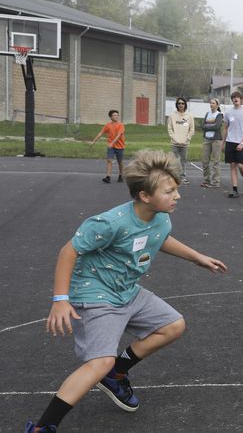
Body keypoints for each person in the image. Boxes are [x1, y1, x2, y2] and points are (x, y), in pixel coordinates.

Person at [23, 150, 227, 433]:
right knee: (100, 362)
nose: (176, 196)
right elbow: (68, 251)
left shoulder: (160, 217)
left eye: (176, 189)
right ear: (145, 196)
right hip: (96, 295)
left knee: (172, 325)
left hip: (127, 291)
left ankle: (116, 374)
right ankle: (43, 427)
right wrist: (60, 300)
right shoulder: (110, 223)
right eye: (169, 191)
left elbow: (159, 238)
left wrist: (197, 257)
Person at [222, 91, 243, 198]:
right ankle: (235, 189)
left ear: (241, 99)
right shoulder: (228, 113)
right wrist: (223, 143)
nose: (236, 99)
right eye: (234, 97)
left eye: (237, 97)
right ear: (232, 100)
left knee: (240, 165)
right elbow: (225, 128)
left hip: (241, 142)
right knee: (232, 166)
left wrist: (242, 142)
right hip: (230, 142)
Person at [89, 110, 125, 184]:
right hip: (110, 146)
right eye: (114, 115)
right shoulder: (108, 125)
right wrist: (93, 141)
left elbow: (118, 135)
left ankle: (121, 175)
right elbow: (100, 133)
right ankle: (108, 177)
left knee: (120, 162)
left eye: (117, 115)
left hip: (120, 146)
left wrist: (112, 143)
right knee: (109, 160)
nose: (116, 116)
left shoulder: (121, 125)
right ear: (110, 117)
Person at [167, 97, 195, 184]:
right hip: (175, 143)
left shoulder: (189, 116)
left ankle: (183, 177)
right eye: (179, 103)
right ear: (177, 105)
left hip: (184, 143)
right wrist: (174, 138)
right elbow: (169, 128)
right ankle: (174, 177)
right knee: (174, 161)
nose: (181, 105)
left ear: (185, 105)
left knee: (183, 160)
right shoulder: (172, 115)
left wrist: (187, 138)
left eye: (182, 103)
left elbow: (192, 129)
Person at [200, 98, 223, 188]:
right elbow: (202, 126)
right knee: (205, 160)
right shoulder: (207, 114)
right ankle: (206, 180)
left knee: (215, 161)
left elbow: (217, 126)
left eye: (213, 103)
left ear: (217, 105)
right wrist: (210, 125)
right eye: (210, 103)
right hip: (206, 139)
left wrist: (207, 126)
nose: (211, 104)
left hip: (216, 140)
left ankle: (215, 181)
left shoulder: (219, 115)